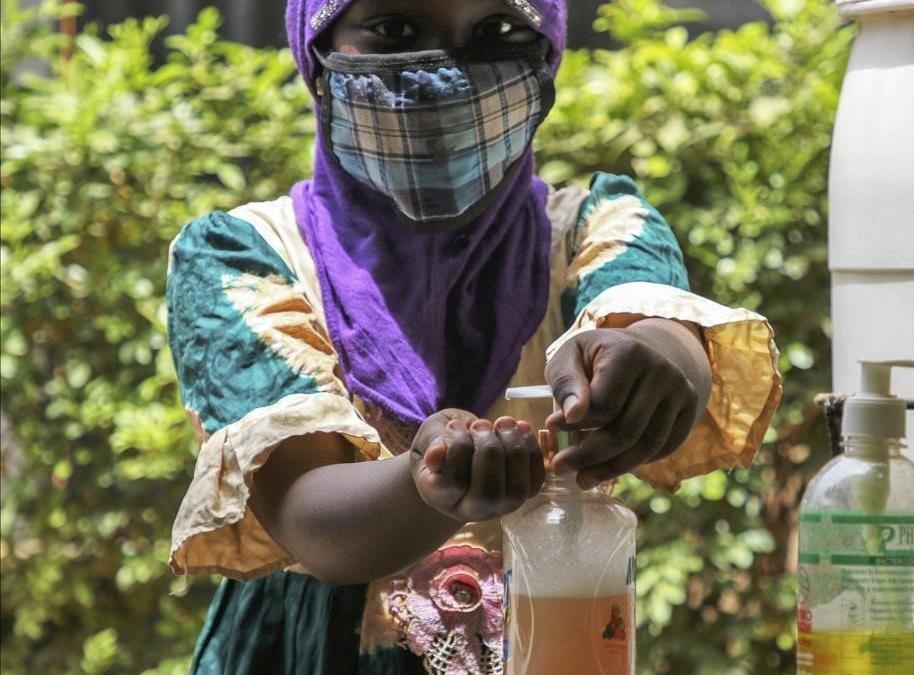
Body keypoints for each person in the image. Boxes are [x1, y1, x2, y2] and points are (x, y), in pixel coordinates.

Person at [167, 0, 782, 673]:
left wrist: (661, 363)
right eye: (395, 29)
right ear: (314, 54)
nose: (451, 74)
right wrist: (424, 483)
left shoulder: (593, 231)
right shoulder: (244, 259)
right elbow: (312, 520)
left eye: (498, 33)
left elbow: (654, 325)